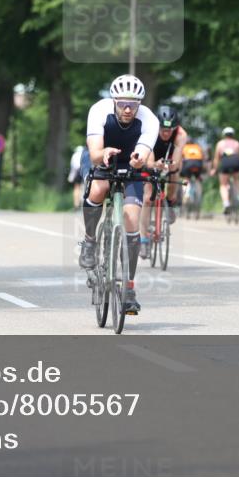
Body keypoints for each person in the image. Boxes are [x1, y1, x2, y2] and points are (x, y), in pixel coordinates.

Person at [79, 74, 158, 315]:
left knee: (132, 220)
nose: (127, 109)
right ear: (113, 100)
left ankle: (129, 288)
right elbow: (93, 151)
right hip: (100, 157)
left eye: (133, 104)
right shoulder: (99, 110)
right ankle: (90, 241)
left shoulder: (149, 119)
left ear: (140, 104)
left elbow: (143, 153)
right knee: (100, 189)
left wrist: (138, 160)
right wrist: (103, 153)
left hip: (128, 163)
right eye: (123, 103)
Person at [141, 105, 188, 248]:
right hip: (153, 153)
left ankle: (171, 200)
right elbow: (149, 162)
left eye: (169, 130)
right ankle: (143, 238)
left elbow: (177, 159)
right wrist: (155, 165)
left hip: (170, 154)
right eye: (163, 130)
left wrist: (171, 166)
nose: (166, 133)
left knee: (176, 171)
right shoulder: (150, 130)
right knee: (148, 198)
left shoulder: (181, 134)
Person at [210, 127, 239, 216]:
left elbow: (217, 158)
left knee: (223, 185)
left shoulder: (220, 144)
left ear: (224, 135)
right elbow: (238, 156)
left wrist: (214, 169)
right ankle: (238, 197)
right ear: (233, 135)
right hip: (235, 161)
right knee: (236, 180)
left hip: (225, 162)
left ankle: (226, 203)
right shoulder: (237, 143)